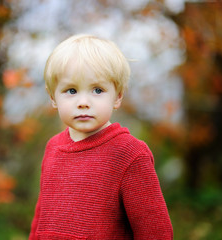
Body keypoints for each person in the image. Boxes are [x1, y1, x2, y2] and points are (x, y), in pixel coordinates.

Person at [29, 34, 173, 239]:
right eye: (71, 90)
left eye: (97, 90)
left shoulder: (129, 153)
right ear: (53, 97)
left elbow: (155, 231)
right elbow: (41, 217)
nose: (83, 102)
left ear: (118, 96)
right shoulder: (53, 147)